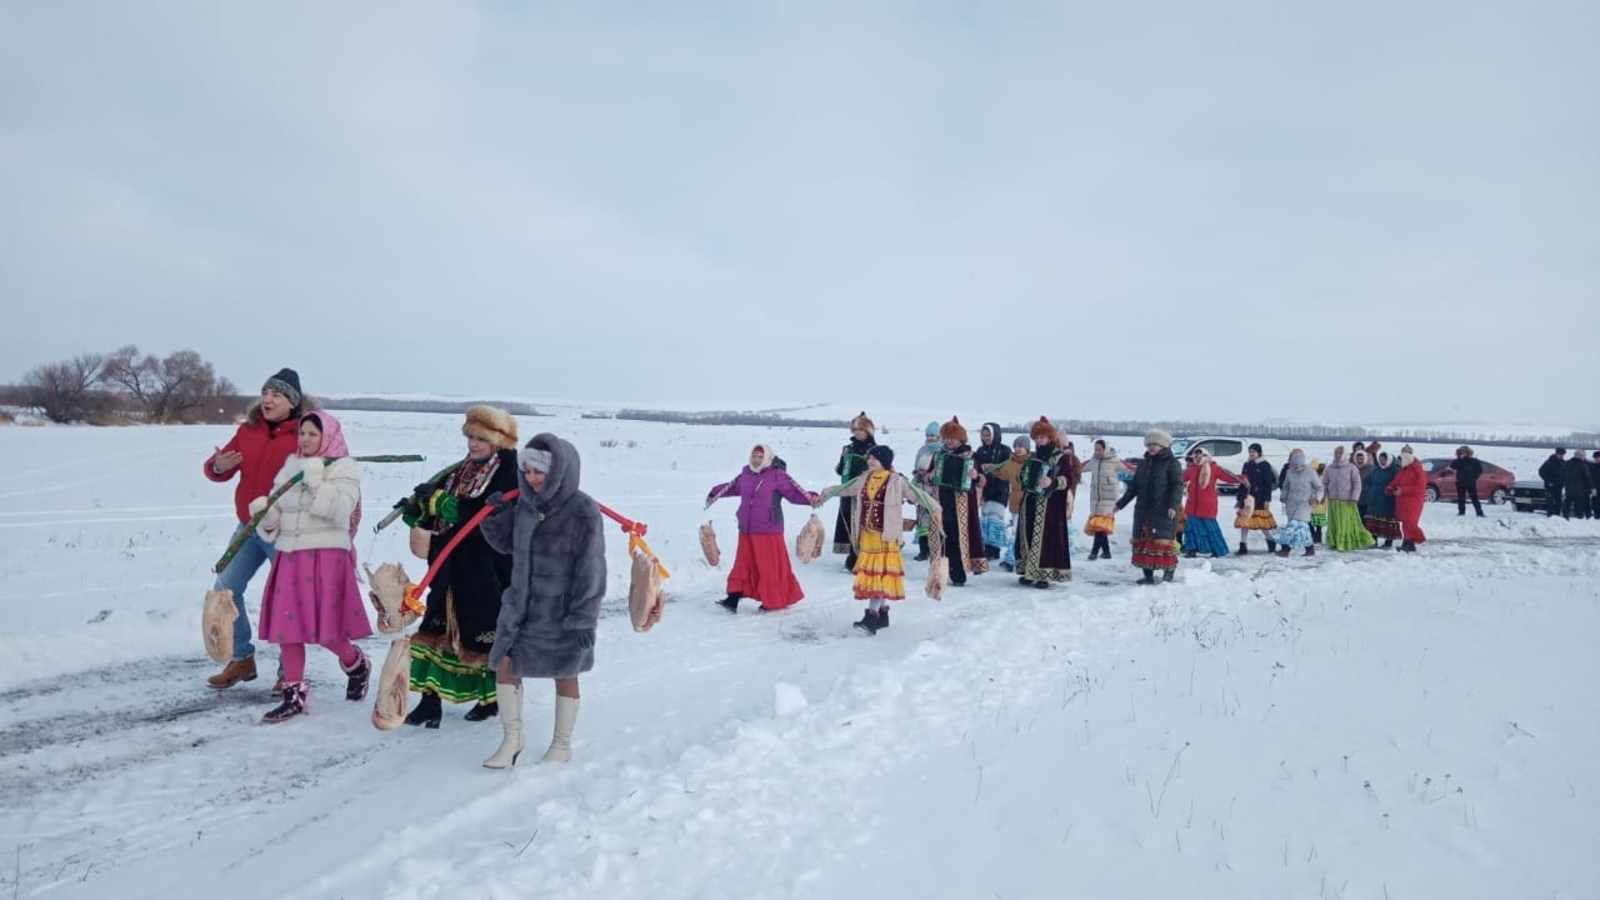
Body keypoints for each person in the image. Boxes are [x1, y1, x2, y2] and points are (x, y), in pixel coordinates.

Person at [480, 435, 606, 769]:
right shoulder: (525, 505)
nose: (532, 478)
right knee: (505, 666)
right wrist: (498, 516)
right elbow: (506, 545)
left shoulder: (583, 510)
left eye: (539, 472)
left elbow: (592, 569)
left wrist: (583, 618)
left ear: (559, 472)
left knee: (565, 673)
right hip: (520, 610)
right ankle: (512, 739)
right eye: (528, 471)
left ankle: (562, 744)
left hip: (561, 612)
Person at [399, 406, 520, 728]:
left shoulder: (509, 474)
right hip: (447, 564)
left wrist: (442, 502)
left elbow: (482, 514)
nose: (473, 444)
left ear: (497, 441)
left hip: (485, 570)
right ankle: (429, 702)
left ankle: (490, 699)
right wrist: (419, 508)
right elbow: (441, 511)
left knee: (479, 635)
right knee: (434, 630)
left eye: (481, 438)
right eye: (470, 437)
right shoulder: (459, 471)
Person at [252, 411, 372, 723]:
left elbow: (341, 510)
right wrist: (266, 515)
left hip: (325, 556)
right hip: (291, 556)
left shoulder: (343, 468)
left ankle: (356, 663)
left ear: (327, 436)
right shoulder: (291, 467)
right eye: (302, 433)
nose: (304, 439)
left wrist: (317, 480)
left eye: (312, 434)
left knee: (324, 630)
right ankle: (294, 696)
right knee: (287, 628)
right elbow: (279, 513)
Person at [203, 367, 310, 691]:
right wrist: (218, 466)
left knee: (287, 600)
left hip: (285, 531)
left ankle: (288, 672)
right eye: (265, 392)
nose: (267, 399)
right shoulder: (248, 430)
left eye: (276, 395)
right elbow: (219, 468)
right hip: (248, 527)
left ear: (292, 402)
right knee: (225, 589)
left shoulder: (305, 435)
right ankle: (242, 658)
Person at [813, 446, 941, 635]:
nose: (870, 461)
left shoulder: (897, 481)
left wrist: (935, 508)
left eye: (875, 458)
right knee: (877, 575)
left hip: (886, 537)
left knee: (879, 577)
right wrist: (825, 494)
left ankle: (871, 618)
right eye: (870, 458)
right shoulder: (864, 478)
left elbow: (918, 495)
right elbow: (845, 488)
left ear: (885, 462)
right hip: (868, 535)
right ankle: (882, 615)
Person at [706, 444, 817, 612]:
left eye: (760, 456)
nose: (756, 459)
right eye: (754, 456)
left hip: (768, 529)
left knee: (768, 567)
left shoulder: (777, 475)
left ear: (767, 458)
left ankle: (772, 600)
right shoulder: (746, 474)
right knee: (743, 564)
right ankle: (733, 598)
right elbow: (732, 487)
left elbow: (794, 493)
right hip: (746, 529)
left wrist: (812, 498)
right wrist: (714, 492)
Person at [1116, 429, 1184, 583]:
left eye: (1156, 444)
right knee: (1144, 542)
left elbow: (1177, 485)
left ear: (1163, 446)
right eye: (1150, 444)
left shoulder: (1172, 463)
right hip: (1144, 511)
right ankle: (1148, 576)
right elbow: (1134, 487)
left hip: (1163, 510)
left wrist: (1173, 505)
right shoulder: (1144, 464)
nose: (1152, 446)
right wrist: (1120, 504)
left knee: (1164, 542)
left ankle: (1168, 574)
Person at [1013, 418, 1074, 587]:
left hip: (1050, 505)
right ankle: (1029, 572)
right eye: (1036, 437)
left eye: (1042, 437)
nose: (1039, 440)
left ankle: (1044, 574)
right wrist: (1022, 477)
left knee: (1046, 539)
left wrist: (1052, 482)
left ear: (1049, 437)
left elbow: (1069, 479)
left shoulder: (1060, 457)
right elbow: (1022, 476)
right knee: (1028, 535)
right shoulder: (1032, 457)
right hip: (1030, 501)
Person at [928, 417, 988, 587]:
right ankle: (942, 571)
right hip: (941, 501)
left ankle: (958, 573)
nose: (949, 441)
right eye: (947, 438)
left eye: (953, 438)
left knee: (958, 538)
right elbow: (928, 477)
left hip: (962, 504)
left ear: (961, 439)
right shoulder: (938, 455)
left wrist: (976, 476)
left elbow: (983, 480)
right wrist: (931, 476)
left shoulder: (972, 456)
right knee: (942, 537)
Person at [832, 413, 877, 571]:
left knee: (862, 523)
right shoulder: (848, 448)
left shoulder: (873, 450)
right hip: (847, 490)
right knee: (848, 522)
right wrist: (841, 466)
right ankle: (853, 554)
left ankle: (858, 557)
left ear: (868, 431)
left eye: (861, 429)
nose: (857, 433)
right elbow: (841, 468)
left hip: (866, 492)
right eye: (855, 429)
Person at [1180, 447, 1240, 559]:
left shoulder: (1213, 468)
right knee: (1191, 529)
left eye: (1200, 455)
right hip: (1192, 504)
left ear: (1206, 456)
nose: (1198, 457)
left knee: (1209, 528)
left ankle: (1217, 550)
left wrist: (1243, 479)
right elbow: (1181, 478)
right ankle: (1192, 549)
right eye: (1196, 455)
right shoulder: (1192, 469)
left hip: (1207, 504)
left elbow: (1228, 477)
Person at [1321, 445, 1375, 551]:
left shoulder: (1351, 468)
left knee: (1345, 523)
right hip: (1333, 500)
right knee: (1334, 522)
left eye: (1340, 453)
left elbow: (1357, 485)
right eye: (1336, 453)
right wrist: (1323, 496)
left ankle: (1346, 542)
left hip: (1347, 500)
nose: (1338, 455)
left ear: (1345, 454)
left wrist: (1354, 498)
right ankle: (1334, 541)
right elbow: (1325, 483)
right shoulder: (1330, 468)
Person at [1275, 450, 1324, 557]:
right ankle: (1309, 548)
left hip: (1304, 504)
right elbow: (1285, 486)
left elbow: (1320, 488)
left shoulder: (1310, 472)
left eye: (1298, 464)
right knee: (1303, 529)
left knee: (1292, 526)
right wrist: (1283, 496)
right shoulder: (1289, 472)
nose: (1296, 466)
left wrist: (1317, 498)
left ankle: (1285, 548)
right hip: (1291, 504)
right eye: (1294, 464)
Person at [974, 422, 1011, 561]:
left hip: (1000, 490)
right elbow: (977, 468)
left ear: (995, 435)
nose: (986, 438)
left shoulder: (1005, 450)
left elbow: (1006, 468)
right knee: (985, 519)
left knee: (995, 519)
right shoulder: (980, 450)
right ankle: (986, 547)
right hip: (985, 490)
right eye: (983, 435)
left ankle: (995, 549)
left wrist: (991, 467)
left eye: (988, 435)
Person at [1236, 443, 1279, 554]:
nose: (1251, 454)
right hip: (1247, 497)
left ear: (1259, 453)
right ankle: (1243, 544)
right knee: (1245, 521)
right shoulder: (1247, 464)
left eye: (1253, 452)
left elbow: (1267, 484)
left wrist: (1267, 499)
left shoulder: (1265, 465)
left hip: (1259, 497)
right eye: (1250, 452)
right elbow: (1242, 481)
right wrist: (1239, 498)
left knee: (1260, 522)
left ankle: (1270, 540)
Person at [1083, 440, 1123, 560]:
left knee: (1099, 526)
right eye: (1096, 450)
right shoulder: (1093, 461)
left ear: (1106, 449)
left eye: (1100, 450)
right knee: (1100, 526)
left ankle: (1094, 551)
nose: (1097, 452)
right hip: (1095, 499)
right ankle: (1106, 552)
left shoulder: (1114, 461)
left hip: (1109, 499)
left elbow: (1130, 468)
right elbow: (1079, 467)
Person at [1387, 446, 1428, 552]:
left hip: (1414, 501)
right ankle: (1409, 544)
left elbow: (1420, 488)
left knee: (1410, 523)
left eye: (1400, 461)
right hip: (1403, 501)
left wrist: (1403, 490)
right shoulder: (1403, 470)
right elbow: (1396, 481)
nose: (1399, 463)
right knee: (1406, 523)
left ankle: (1417, 539)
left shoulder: (1418, 471)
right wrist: (1390, 487)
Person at [911, 422, 942, 560]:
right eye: (928, 435)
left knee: (935, 522)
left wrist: (930, 476)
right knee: (922, 522)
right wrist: (913, 486)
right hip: (921, 490)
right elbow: (916, 469)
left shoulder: (941, 452)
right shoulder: (922, 450)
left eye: (933, 435)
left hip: (935, 491)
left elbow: (940, 472)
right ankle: (924, 550)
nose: (930, 438)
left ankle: (937, 549)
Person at [1362, 452, 1403, 549]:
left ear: (1388, 460)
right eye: (1380, 459)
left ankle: (1388, 543)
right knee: (1373, 521)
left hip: (1387, 500)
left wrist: (1390, 490)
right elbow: (1370, 481)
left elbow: (1397, 483)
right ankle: (1373, 541)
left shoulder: (1395, 470)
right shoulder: (1376, 469)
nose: (1382, 461)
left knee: (1388, 521)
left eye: (1383, 460)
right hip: (1375, 499)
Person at [1450, 445, 1485, 517]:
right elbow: (1452, 466)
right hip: (1460, 482)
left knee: (1474, 498)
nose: (1462, 454)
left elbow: (1479, 470)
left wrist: (1474, 477)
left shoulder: (1474, 461)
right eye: (1460, 453)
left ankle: (1479, 513)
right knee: (1461, 499)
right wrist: (1459, 459)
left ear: (1468, 453)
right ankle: (1461, 512)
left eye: (1464, 452)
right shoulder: (1458, 461)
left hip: (1470, 483)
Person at [1563, 450, 1595, 520]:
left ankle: (1565, 517)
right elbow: (1587, 478)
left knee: (1567, 502)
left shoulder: (1566, 463)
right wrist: (1592, 487)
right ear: (1581, 456)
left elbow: (1562, 475)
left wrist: (1564, 483)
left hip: (1568, 488)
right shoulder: (1583, 465)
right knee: (1579, 504)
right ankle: (1579, 518)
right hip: (1580, 489)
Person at [1538, 449, 1567, 517]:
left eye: (1562, 455)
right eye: (1560, 454)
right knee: (1550, 500)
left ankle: (1557, 515)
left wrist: (1564, 482)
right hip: (1550, 485)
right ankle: (1550, 515)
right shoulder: (1549, 462)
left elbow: (1565, 474)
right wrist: (1548, 481)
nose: (1561, 456)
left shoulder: (1563, 463)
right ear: (1556, 454)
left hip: (1559, 486)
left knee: (1558, 501)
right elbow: (1541, 472)